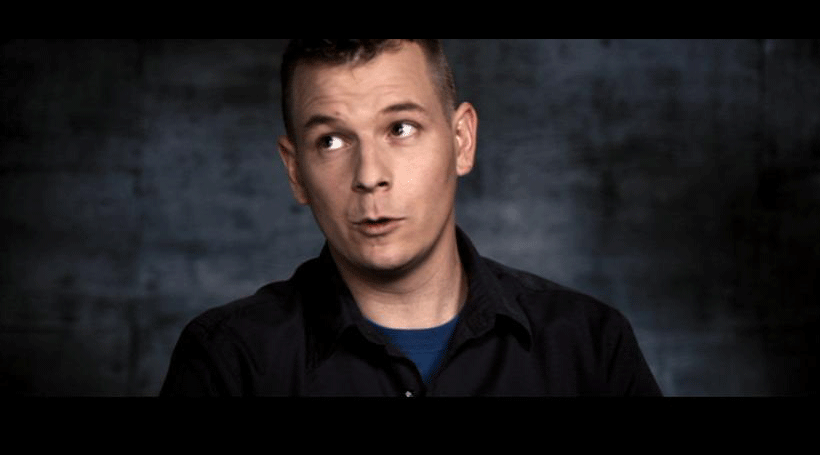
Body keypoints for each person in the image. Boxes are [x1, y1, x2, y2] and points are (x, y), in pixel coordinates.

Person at [160, 39, 662, 396]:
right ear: (296, 172)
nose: (370, 176)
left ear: (461, 140)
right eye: (331, 140)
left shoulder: (588, 344)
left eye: (400, 128)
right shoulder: (230, 360)